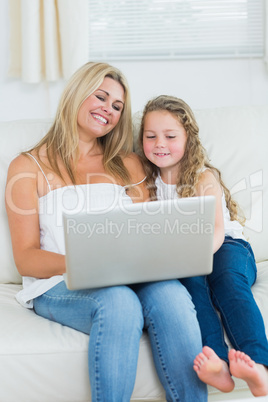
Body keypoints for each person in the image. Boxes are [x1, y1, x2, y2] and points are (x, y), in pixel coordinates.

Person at [5, 62, 207, 402]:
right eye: (101, 97)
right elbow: (26, 259)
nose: (108, 110)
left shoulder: (127, 163)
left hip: (127, 276)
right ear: (76, 94)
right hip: (59, 284)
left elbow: (149, 232)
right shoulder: (27, 166)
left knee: (171, 294)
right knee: (119, 302)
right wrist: (87, 262)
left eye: (117, 106)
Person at [138, 94, 268, 397]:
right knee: (192, 286)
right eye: (151, 136)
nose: (160, 143)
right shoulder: (146, 181)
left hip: (227, 246)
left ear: (188, 139)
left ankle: (260, 366)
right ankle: (219, 366)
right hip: (185, 254)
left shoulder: (201, 176)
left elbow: (215, 233)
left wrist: (190, 257)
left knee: (226, 282)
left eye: (170, 136)